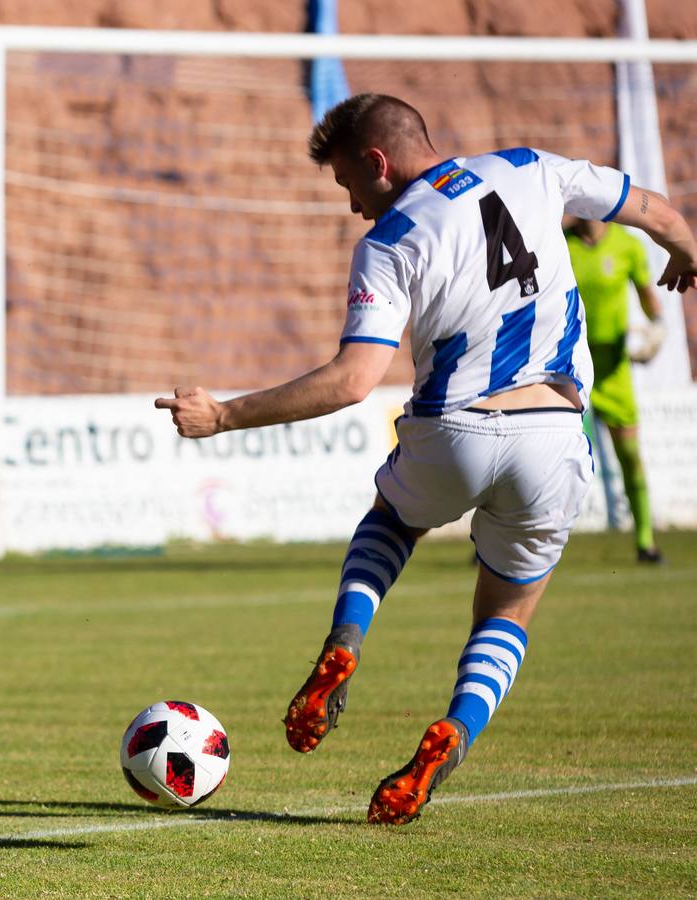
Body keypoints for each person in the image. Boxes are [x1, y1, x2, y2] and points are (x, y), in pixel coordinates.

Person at [156, 93, 697, 825]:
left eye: (350, 185)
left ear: (378, 163)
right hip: (554, 430)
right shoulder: (531, 167)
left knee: (392, 521)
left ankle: (347, 637)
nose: (353, 207)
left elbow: (353, 381)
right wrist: (686, 252)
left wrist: (224, 414)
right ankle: (457, 730)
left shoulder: (391, 239)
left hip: (455, 430)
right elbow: (655, 211)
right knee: (505, 612)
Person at [566, 218, 665, 563]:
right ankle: (495, 546)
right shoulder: (561, 244)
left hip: (613, 370)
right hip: (569, 371)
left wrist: (658, 329)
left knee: (631, 457)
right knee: (543, 458)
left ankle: (645, 543)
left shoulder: (627, 244)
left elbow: (649, 298)